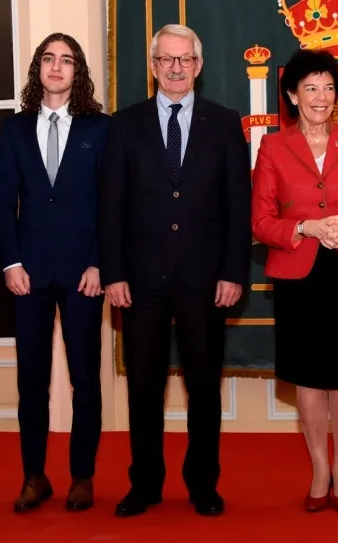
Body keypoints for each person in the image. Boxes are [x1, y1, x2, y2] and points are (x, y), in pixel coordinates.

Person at [98, 24, 251, 517]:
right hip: (140, 280)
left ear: (199, 66)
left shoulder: (226, 123)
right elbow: (111, 205)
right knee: (144, 386)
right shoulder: (124, 125)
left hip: (206, 279)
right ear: (153, 65)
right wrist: (114, 272)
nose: (176, 68)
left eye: (185, 59)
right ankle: (144, 484)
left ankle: (203, 484)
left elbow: (237, 205)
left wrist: (233, 271)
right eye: (167, 59)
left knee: (203, 387)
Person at [251, 49, 338, 513]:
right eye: (310, 87)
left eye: (328, 87)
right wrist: (305, 228)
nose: (320, 96)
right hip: (299, 273)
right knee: (308, 377)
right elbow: (261, 221)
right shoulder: (273, 147)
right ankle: (319, 469)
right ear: (292, 95)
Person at [0, 33, 109, 514]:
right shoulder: (15, 130)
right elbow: (2, 202)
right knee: (31, 381)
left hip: (85, 272)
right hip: (29, 274)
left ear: (77, 70)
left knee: (86, 378)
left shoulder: (101, 129)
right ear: (37, 69)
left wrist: (100, 262)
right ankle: (34, 476)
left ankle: (82, 476)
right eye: (49, 59)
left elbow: (113, 204)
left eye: (66, 60)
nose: (57, 67)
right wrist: (11, 262)